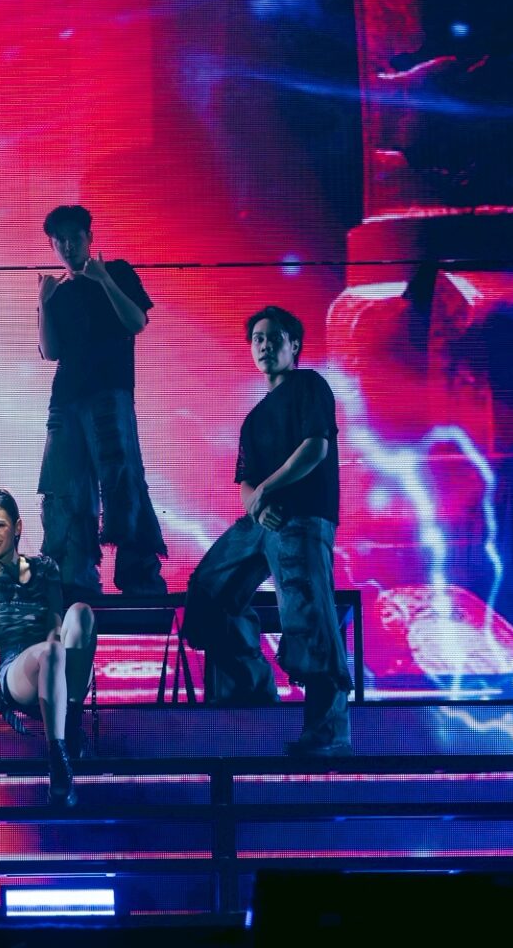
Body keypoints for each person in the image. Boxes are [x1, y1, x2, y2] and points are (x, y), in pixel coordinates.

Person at [182, 306, 353, 757]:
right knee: (209, 590)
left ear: (294, 345)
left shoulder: (310, 386)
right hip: (263, 522)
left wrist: (266, 492)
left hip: (303, 519)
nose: (264, 344)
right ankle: (251, 684)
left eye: (275, 337)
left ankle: (329, 733)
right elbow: (245, 484)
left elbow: (315, 448)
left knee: (309, 615)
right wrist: (257, 506)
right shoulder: (254, 419)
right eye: (257, 338)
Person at [35, 204, 168, 602]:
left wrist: (104, 279)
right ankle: (74, 578)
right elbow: (50, 351)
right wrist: (43, 302)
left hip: (109, 393)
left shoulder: (118, 271)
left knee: (121, 480)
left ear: (89, 239)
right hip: (65, 399)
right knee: (64, 488)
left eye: (75, 237)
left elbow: (137, 322)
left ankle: (139, 578)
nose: (68, 246)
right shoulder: (57, 290)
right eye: (60, 240)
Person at [0, 489, 97, 806]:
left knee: (81, 614)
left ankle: (70, 720)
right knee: (50, 652)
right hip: (16, 672)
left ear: (17, 527)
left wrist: (55, 655)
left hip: (56, 666)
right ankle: (58, 762)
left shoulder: (45, 567)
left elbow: (55, 624)